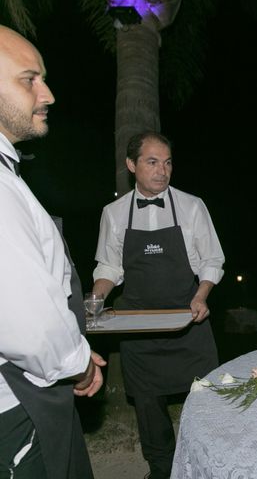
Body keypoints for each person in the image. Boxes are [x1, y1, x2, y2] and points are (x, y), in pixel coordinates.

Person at [0, 25, 104, 479]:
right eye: (29, 79)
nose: (48, 94)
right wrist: (78, 363)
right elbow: (26, 320)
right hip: (19, 402)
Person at [92, 131, 224, 479]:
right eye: (152, 162)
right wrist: (96, 298)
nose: (162, 171)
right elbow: (109, 266)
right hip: (137, 326)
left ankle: (207, 463)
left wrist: (201, 296)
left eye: (167, 163)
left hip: (188, 319)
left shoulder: (192, 206)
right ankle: (162, 469)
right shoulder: (114, 213)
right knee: (149, 408)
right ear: (131, 165)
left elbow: (212, 260)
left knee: (206, 398)